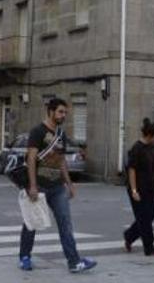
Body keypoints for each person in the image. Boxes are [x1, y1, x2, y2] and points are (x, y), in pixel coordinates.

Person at [18, 97, 96, 274]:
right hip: (40, 186)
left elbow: (61, 161)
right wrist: (32, 186)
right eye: (60, 112)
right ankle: (25, 257)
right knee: (32, 223)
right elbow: (31, 158)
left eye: (65, 112)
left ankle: (74, 262)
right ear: (51, 111)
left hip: (57, 187)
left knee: (65, 224)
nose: (63, 115)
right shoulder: (37, 131)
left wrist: (69, 183)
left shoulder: (61, 134)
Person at [124, 117, 154, 256]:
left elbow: (153, 171)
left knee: (150, 215)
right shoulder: (137, 148)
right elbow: (131, 170)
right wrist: (134, 190)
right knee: (144, 218)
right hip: (138, 189)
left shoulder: (152, 148)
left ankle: (129, 236)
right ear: (150, 135)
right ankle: (149, 247)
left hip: (150, 188)